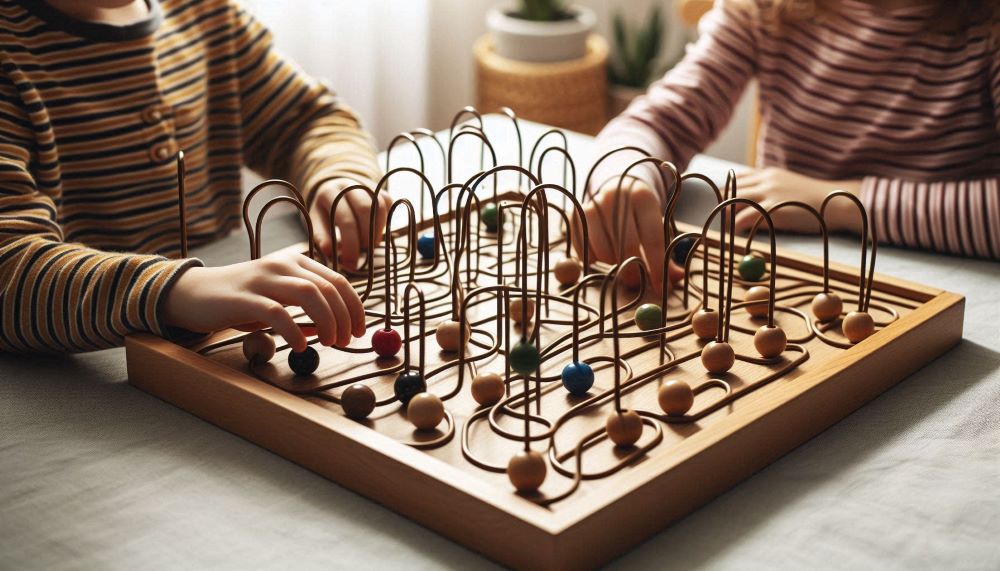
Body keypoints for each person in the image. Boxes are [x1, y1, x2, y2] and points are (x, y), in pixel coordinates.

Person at [0, 0, 390, 353]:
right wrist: (176, 291)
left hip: (217, 349)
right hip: (94, 368)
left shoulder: (205, 13)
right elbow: (9, 267)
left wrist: (338, 174)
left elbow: (307, 121)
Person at [587, 0, 1000, 292]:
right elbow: (658, 121)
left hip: (950, 289)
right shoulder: (764, 8)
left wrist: (833, 202)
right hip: (775, 279)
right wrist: (625, 176)